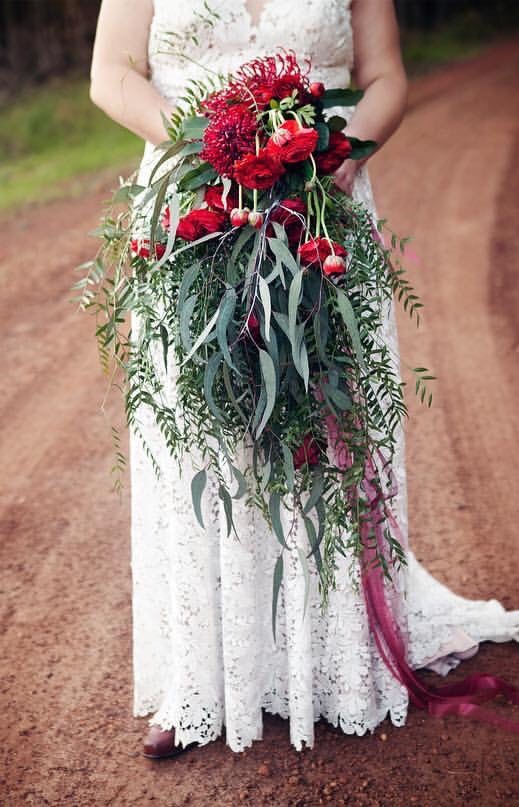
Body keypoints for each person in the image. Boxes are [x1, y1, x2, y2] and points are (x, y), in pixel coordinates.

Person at [90, 0, 519, 759]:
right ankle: (203, 680)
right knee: (206, 433)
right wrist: (204, 152)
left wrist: (345, 152)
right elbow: (110, 77)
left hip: (321, 205)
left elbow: (384, 77)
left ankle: (332, 667)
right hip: (193, 206)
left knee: (322, 432)